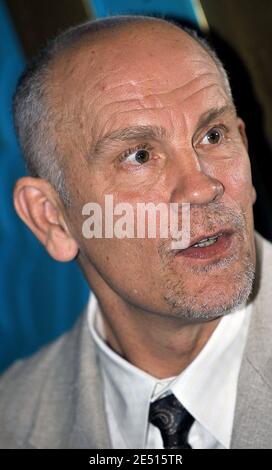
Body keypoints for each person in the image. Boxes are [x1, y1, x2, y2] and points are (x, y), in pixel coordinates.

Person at [0, 14, 271, 450]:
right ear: (52, 218)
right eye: (140, 156)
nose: (203, 188)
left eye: (213, 135)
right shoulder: (12, 418)